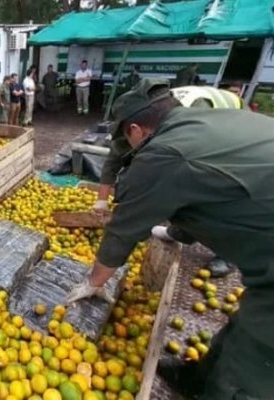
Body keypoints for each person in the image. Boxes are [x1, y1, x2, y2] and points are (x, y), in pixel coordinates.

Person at [67, 78, 274, 399]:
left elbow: (122, 231)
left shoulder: (164, 153)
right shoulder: (205, 118)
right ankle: (196, 377)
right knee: (245, 325)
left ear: (136, 130)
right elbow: (213, 190)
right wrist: (178, 232)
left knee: (255, 358)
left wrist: (94, 283)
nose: (127, 145)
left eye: (125, 137)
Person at [94, 83, 243, 276]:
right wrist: (102, 199)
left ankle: (227, 254)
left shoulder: (192, 118)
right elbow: (114, 159)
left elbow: (171, 180)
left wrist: (135, 215)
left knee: (214, 194)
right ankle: (180, 232)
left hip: (231, 134)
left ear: (136, 128)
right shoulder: (144, 117)